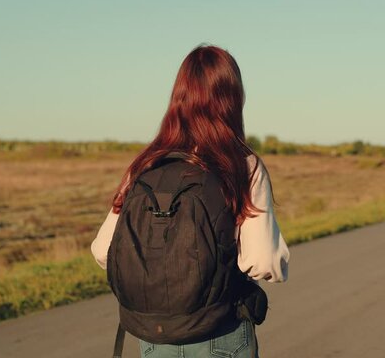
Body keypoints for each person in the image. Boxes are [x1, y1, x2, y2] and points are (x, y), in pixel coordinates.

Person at [90, 43, 290, 358]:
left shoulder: (146, 164)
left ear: (178, 96)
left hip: (156, 337)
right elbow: (262, 261)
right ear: (232, 98)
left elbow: (103, 251)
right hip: (220, 333)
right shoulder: (242, 165)